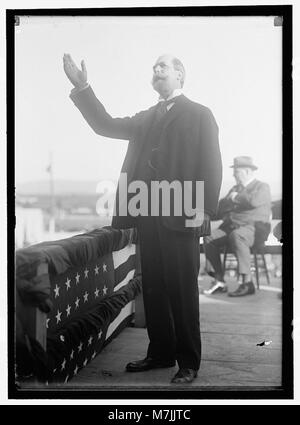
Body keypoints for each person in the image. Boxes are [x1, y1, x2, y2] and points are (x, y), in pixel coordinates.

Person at [63, 53, 222, 383]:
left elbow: (211, 163)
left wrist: (205, 209)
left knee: (182, 288)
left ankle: (188, 361)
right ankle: (161, 353)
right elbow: (104, 125)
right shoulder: (146, 117)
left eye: (163, 66)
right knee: (154, 287)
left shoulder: (200, 114)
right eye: (154, 68)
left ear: (180, 74)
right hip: (147, 209)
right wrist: (83, 87)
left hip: (182, 211)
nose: (156, 71)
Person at [203, 156, 271, 297]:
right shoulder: (235, 188)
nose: (234, 174)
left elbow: (253, 201)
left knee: (237, 235)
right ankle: (219, 280)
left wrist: (235, 198)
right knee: (208, 236)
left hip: (253, 230)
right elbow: (222, 207)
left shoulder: (262, 187)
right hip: (232, 228)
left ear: (247, 171)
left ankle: (247, 283)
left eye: (236, 171)